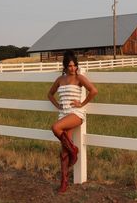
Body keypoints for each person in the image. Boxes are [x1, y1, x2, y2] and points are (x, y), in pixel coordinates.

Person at [48, 50, 98, 193]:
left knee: (55, 128)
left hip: (76, 114)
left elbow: (94, 91)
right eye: (69, 66)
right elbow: (49, 94)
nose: (72, 68)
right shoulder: (59, 80)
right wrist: (58, 105)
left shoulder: (79, 78)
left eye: (74, 65)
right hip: (63, 114)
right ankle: (64, 182)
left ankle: (74, 151)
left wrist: (81, 104)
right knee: (64, 152)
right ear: (65, 67)